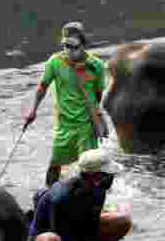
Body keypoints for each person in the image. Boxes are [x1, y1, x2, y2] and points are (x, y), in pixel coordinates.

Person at [24, 22, 109, 186]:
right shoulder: (55, 62)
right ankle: (47, 195)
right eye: (65, 46)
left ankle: (90, 202)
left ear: (83, 45)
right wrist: (33, 110)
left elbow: (98, 95)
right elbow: (43, 86)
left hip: (86, 125)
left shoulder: (96, 66)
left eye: (73, 46)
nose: (68, 51)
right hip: (64, 124)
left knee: (90, 168)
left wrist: (96, 118)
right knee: (55, 164)